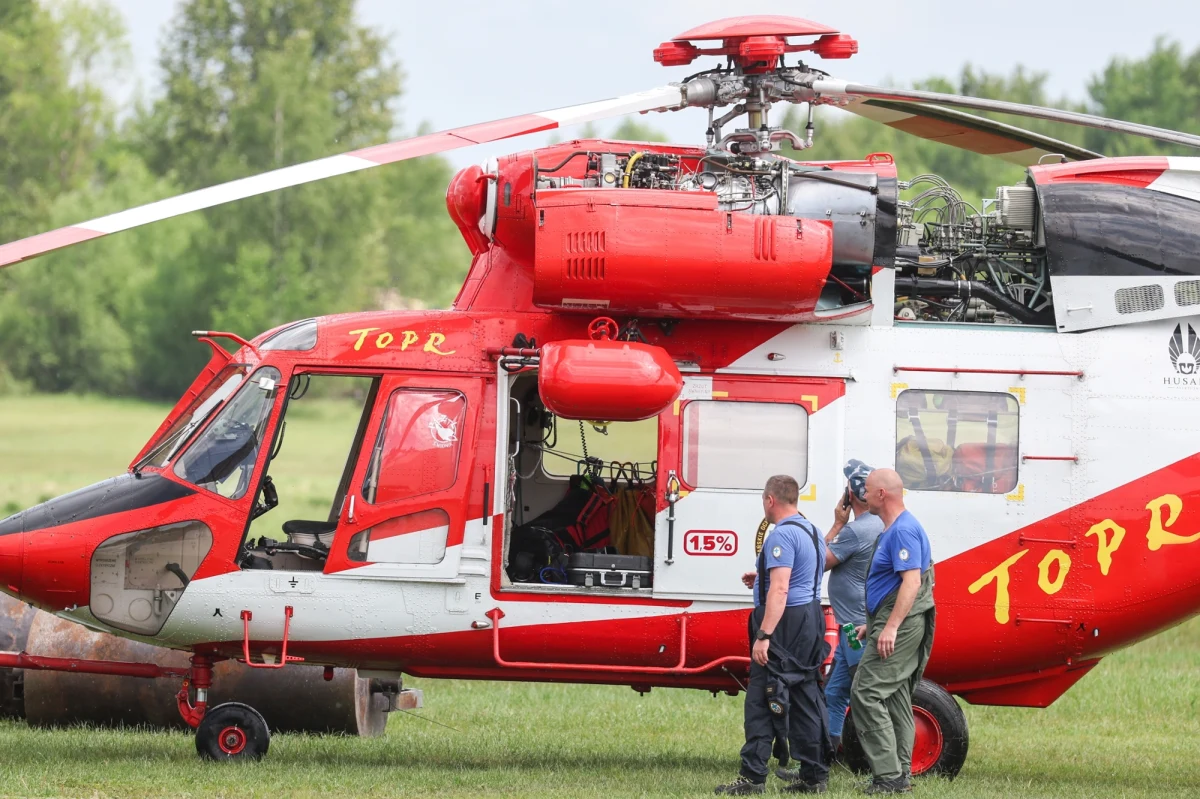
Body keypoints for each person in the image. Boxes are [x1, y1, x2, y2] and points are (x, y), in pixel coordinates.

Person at [716, 475, 830, 795]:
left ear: (770, 500)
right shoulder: (812, 530)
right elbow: (799, 576)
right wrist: (763, 577)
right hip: (810, 617)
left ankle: (752, 777)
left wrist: (764, 634)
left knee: (762, 696)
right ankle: (814, 776)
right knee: (805, 695)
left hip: (785, 623)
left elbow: (780, 590)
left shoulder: (781, 534)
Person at [850, 469, 936, 795]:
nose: (863, 495)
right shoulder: (894, 529)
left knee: (866, 693)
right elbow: (891, 585)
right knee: (896, 696)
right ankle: (900, 775)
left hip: (900, 625)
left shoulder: (903, 531)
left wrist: (890, 627)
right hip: (891, 621)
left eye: (867, 490)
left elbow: (911, 583)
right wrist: (873, 625)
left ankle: (887, 776)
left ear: (882, 494)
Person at [821, 460, 885, 757]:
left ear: (850, 495)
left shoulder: (854, 532)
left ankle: (880, 761)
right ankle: (828, 755)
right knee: (835, 692)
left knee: (865, 696)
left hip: (854, 629)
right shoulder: (879, 525)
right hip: (854, 624)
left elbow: (816, 562)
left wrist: (837, 524)